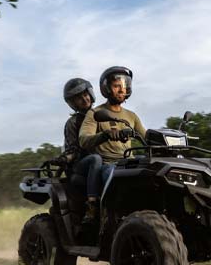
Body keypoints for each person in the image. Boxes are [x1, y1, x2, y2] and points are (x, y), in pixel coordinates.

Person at [79, 66, 146, 220]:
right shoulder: (95, 113)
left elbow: (146, 137)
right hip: (108, 164)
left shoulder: (131, 116)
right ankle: (103, 214)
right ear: (106, 88)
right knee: (115, 177)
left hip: (129, 163)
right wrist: (105, 135)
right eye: (116, 86)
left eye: (124, 86)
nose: (121, 90)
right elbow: (84, 140)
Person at [48, 78, 104, 219]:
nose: (84, 99)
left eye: (85, 94)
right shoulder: (73, 123)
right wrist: (65, 158)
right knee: (95, 159)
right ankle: (92, 205)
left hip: (106, 161)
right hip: (80, 165)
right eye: (79, 98)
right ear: (72, 103)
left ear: (90, 93)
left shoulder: (103, 115)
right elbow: (72, 149)